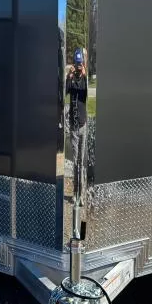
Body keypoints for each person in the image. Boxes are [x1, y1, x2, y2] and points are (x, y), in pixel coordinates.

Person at [66, 47, 87, 197]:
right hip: (73, 127)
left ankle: (82, 191)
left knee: (82, 161)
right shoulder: (72, 80)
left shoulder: (83, 81)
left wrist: (84, 75)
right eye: (77, 64)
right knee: (75, 161)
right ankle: (75, 192)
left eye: (80, 64)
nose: (78, 67)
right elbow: (65, 92)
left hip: (83, 125)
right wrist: (69, 76)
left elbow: (84, 93)